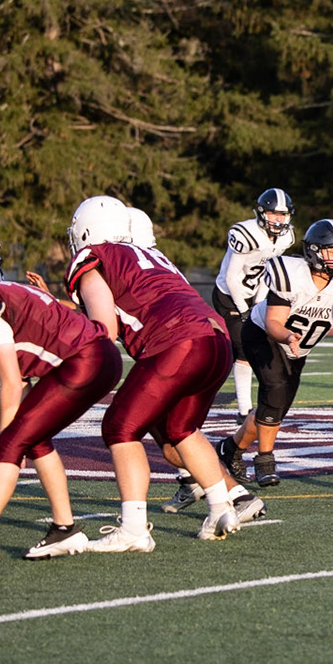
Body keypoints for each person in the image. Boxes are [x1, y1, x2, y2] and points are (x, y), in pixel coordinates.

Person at [67, 196, 265, 547]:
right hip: (216, 339)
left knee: (119, 427)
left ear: (85, 231)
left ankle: (133, 530)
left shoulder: (93, 256)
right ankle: (222, 506)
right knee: (181, 428)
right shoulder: (152, 255)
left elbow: (103, 328)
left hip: (178, 342)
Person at [0, 273, 125, 576]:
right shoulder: (2, 294)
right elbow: (23, 380)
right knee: (32, 437)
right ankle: (64, 529)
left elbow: (11, 384)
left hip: (85, 360)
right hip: (97, 357)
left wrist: (0, 440)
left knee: (10, 442)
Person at [225, 218, 333, 485]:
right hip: (264, 334)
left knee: (273, 410)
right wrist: (287, 335)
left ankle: (229, 450)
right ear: (314, 251)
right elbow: (274, 322)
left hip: (297, 348)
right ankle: (265, 461)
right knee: (273, 394)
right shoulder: (291, 273)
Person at [165, 189, 295, 514]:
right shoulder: (244, 233)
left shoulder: (287, 238)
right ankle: (243, 409)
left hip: (255, 295)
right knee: (243, 352)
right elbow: (234, 277)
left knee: (255, 349)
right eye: (273, 214)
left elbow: (270, 273)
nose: (278, 220)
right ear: (261, 213)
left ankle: (242, 413)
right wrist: (244, 309)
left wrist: (261, 304)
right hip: (230, 294)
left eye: (283, 215)